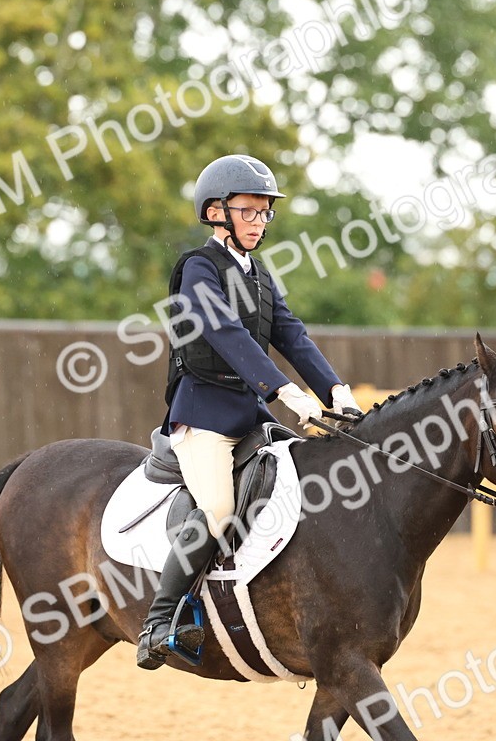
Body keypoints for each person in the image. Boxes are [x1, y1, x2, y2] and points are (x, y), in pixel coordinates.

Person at [136, 153, 362, 669]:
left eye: (265, 214)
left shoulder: (259, 274)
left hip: (251, 415)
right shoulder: (199, 268)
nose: (259, 222)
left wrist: (336, 390)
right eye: (249, 211)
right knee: (217, 510)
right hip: (204, 417)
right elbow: (225, 334)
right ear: (217, 212)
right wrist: (286, 392)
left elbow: (291, 333)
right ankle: (160, 620)